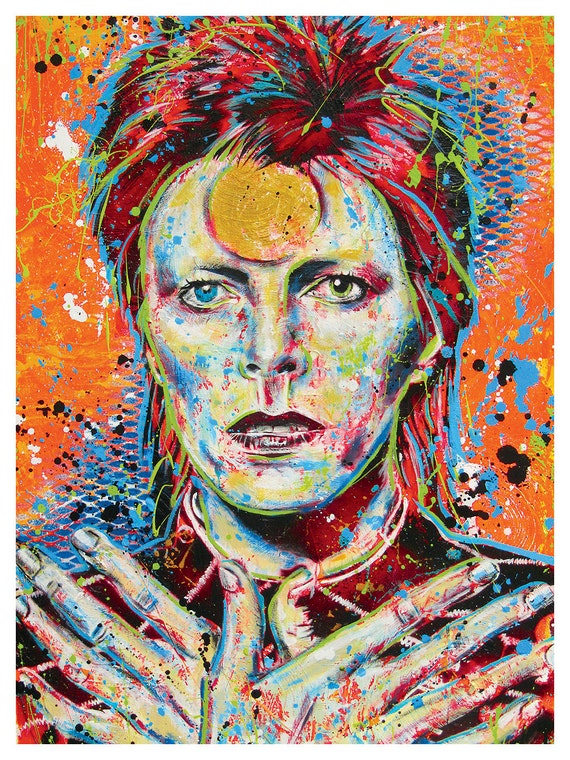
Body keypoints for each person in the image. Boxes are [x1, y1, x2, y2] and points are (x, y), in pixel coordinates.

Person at [16, 16, 553, 744]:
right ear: (142, 325)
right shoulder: (37, 664)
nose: (270, 353)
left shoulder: (541, 647)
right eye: (206, 293)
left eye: (338, 288)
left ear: (432, 322)